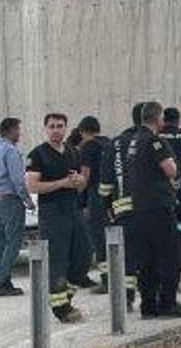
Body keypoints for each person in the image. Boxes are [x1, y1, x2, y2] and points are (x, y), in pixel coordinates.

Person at [126, 101, 181, 319]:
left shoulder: (134, 141)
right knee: (171, 256)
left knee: (147, 259)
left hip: (138, 208)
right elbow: (171, 170)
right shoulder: (154, 141)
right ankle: (168, 303)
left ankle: (148, 305)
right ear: (157, 118)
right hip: (158, 206)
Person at [26, 113, 89, 323]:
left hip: (74, 210)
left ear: (65, 128)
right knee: (58, 261)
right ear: (45, 129)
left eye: (60, 126)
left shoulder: (73, 152)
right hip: (52, 214)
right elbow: (32, 185)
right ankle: (61, 309)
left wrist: (80, 181)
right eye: (51, 126)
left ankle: (64, 299)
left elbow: (81, 182)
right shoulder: (38, 155)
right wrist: (61, 183)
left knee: (83, 258)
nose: (56, 130)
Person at [99, 103, 144, 311]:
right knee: (151, 253)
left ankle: (126, 298)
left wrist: (107, 205)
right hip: (149, 209)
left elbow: (106, 182)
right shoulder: (150, 140)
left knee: (128, 256)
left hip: (122, 210)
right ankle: (151, 296)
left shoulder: (115, 143)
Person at [0, 117, 34, 296]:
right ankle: (3, 281)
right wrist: (28, 200)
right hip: (9, 201)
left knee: (1, 241)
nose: (20, 133)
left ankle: (0, 278)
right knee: (13, 242)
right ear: (11, 130)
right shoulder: (11, 151)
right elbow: (18, 180)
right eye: (18, 130)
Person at [76, 116, 111, 294]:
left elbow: (85, 176)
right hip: (111, 197)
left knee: (98, 239)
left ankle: (106, 280)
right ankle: (117, 276)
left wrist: (77, 196)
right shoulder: (109, 143)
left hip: (95, 197)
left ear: (83, 132)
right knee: (111, 238)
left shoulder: (88, 146)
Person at [159, 107, 181, 272]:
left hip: (162, 186)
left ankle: (164, 256)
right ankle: (179, 255)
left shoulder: (157, 137)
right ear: (178, 120)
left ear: (163, 120)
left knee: (163, 220)